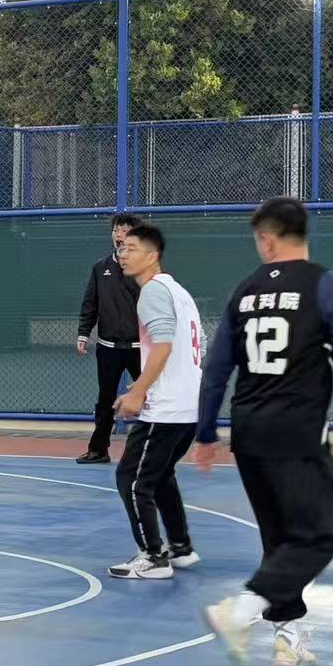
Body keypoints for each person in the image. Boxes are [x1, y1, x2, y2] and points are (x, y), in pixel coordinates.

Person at [194, 198, 333, 666]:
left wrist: (206, 431)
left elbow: (216, 369)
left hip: (249, 433)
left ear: (268, 239)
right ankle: (240, 612)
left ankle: (286, 640)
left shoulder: (244, 291)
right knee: (320, 537)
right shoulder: (326, 285)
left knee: (281, 542)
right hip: (297, 434)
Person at [105, 224, 203, 580]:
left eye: (131, 248)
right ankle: (181, 548)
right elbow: (198, 346)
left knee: (131, 479)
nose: (123, 254)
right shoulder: (180, 293)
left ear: (152, 255)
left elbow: (163, 346)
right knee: (160, 476)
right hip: (187, 407)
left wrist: (139, 391)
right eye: (121, 248)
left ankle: (153, 557)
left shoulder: (152, 292)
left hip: (166, 409)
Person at [76, 212, 144, 464]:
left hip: (139, 347)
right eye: (116, 230)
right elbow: (90, 303)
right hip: (108, 348)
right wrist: (84, 332)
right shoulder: (100, 267)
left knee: (153, 398)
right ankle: (98, 449)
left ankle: (155, 449)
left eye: (125, 230)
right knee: (105, 400)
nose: (119, 234)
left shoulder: (144, 267)